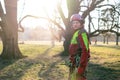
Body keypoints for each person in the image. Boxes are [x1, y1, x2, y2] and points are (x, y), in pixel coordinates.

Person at [68, 14, 90, 80]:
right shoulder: (76, 33)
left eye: (77, 23)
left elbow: (85, 51)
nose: (75, 24)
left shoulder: (81, 32)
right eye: (73, 23)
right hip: (74, 64)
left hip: (79, 64)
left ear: (81, 24)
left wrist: (81, 68)